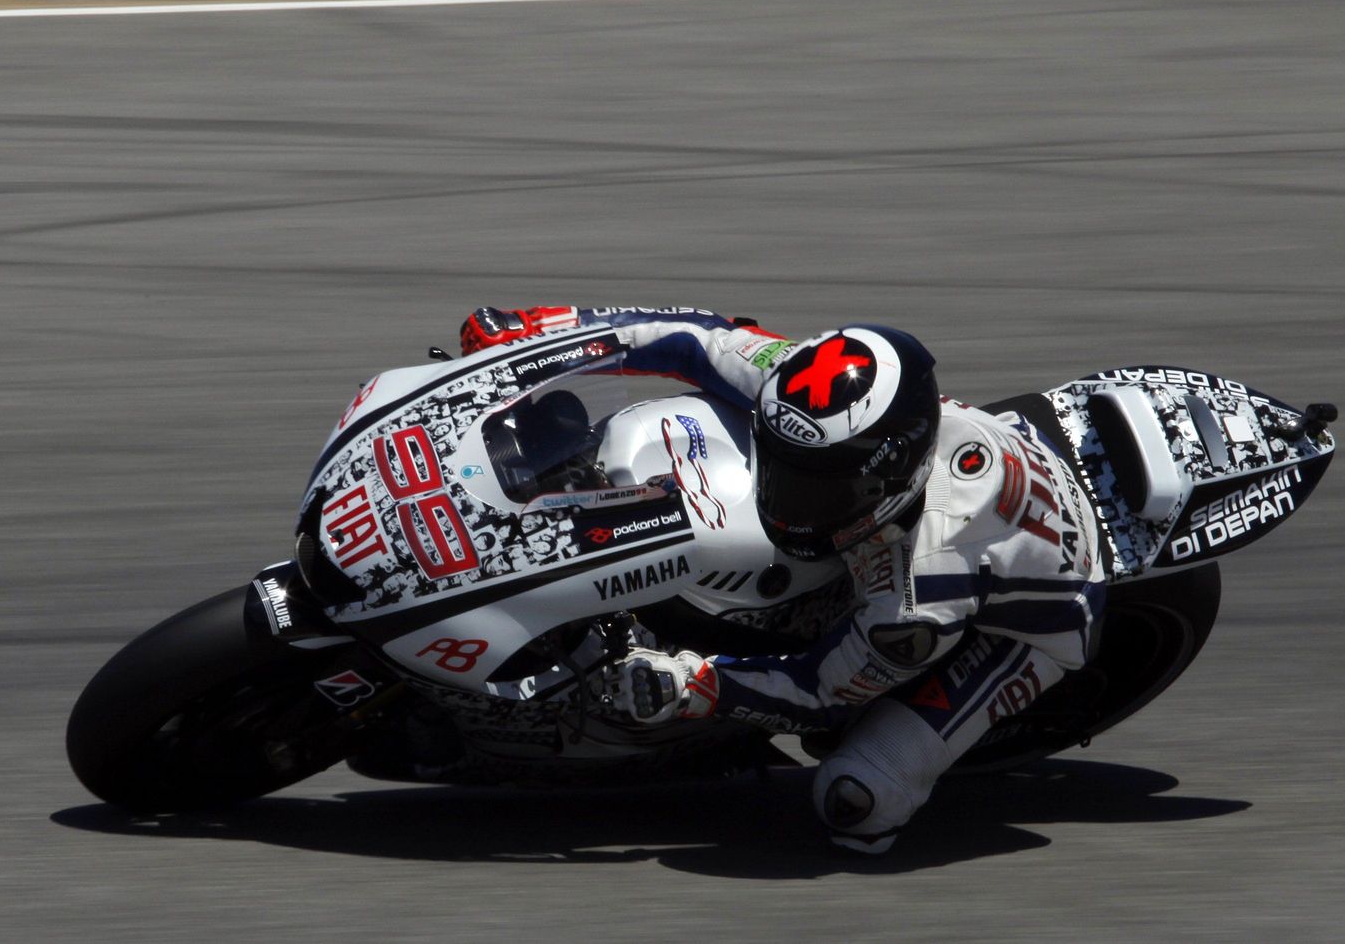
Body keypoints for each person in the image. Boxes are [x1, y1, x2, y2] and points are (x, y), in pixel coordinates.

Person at [461, 305, 1105, 852]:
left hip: (1036, 625)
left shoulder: (920, 589)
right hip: (986, 471)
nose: (787, 500)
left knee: (857, 801)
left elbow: (822, 693)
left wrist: (699, 684)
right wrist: (537, 332)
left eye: (816, 490)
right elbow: (692, 338)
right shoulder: (806, 393)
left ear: (891, 483)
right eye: (782, 467)